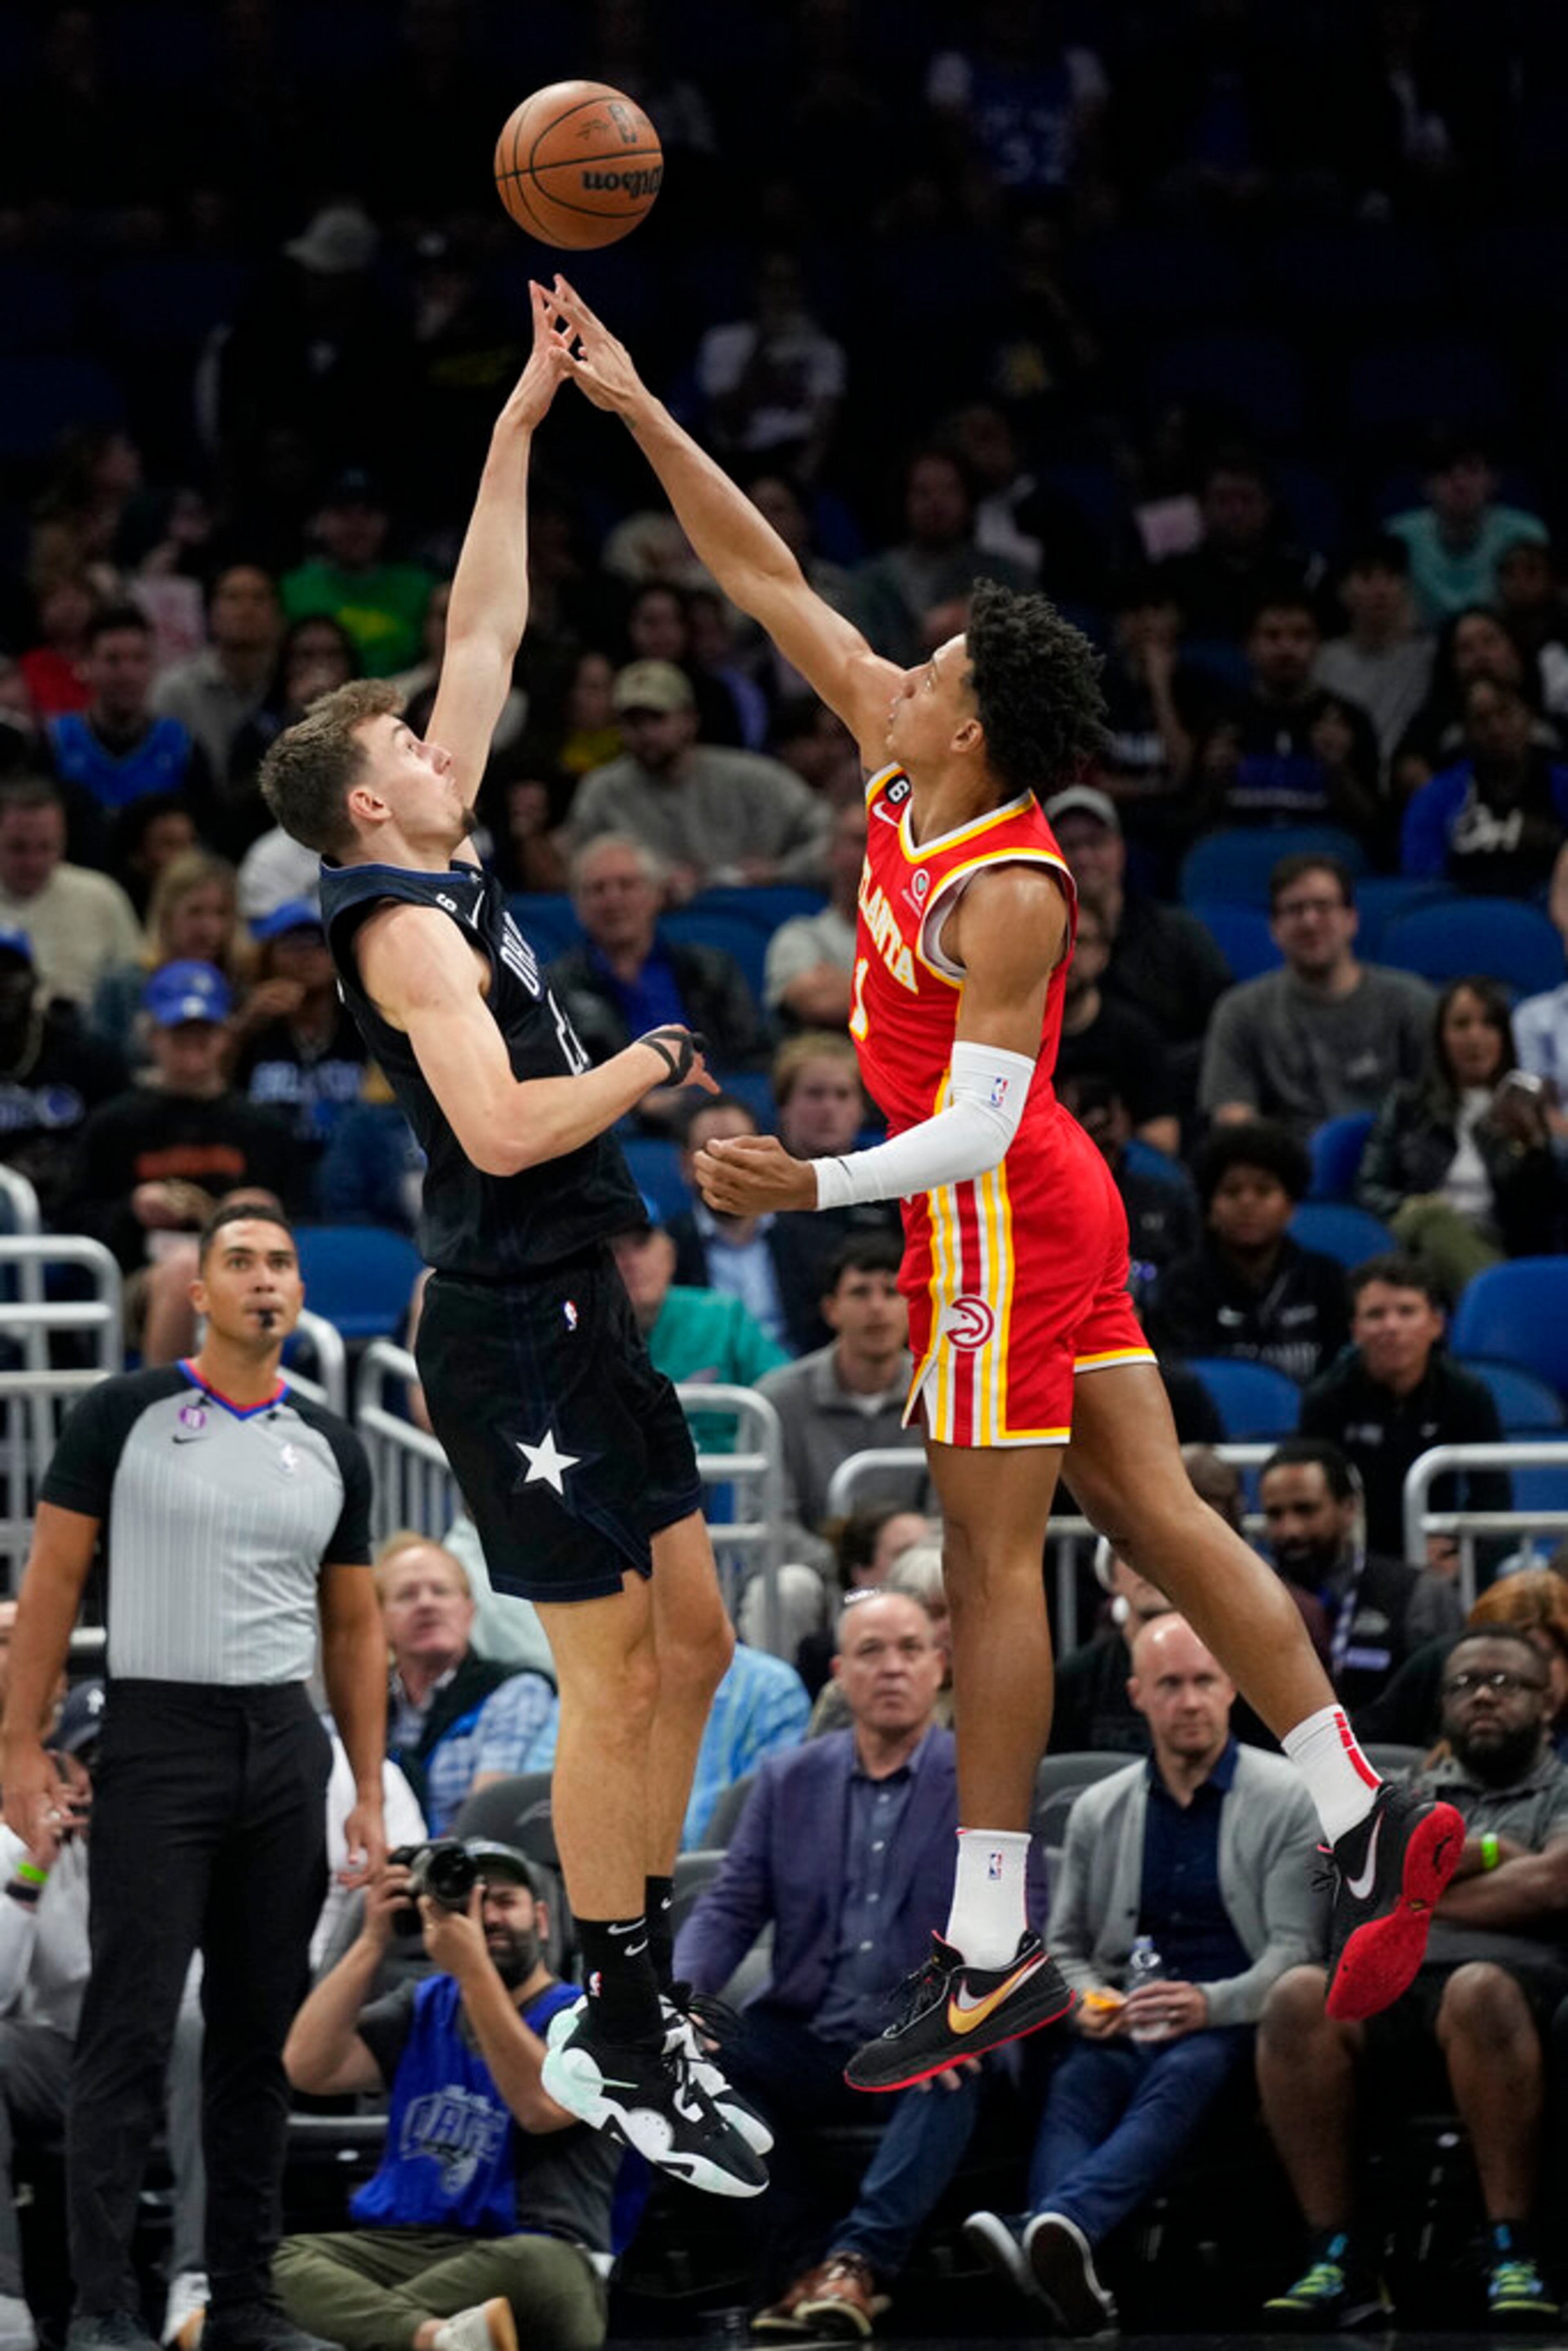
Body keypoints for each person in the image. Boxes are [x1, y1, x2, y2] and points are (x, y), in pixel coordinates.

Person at [551, 276, 1463, 2092]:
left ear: (971, 727)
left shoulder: (1014, 885)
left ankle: (989, 1947)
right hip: (1042, 1205)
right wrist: (643, 408)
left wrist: (809, 1174)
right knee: (1154, 1520)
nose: (907, 661)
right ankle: (1363, 1806)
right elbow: (762, 578)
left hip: (996, 1207)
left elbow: (969, 1126)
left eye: (943, 664)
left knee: (988, 1574)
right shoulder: (905, 747)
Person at [255, 294, 765, 2198]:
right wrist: (644, 1056)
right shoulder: (393, 923)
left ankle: (640, 1993)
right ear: (371, 798)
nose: (433, 714)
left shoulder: (433, 829)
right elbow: (493, 1124)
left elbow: (488, 621)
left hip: (578, 1298)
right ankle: (624, 2011)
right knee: (617, 1670)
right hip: (507, 1326)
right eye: (401, 731)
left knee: (702, 1639)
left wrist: (527, 416)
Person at [0, 1204, 388, 2351]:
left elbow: (356, 1625)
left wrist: (366, 1783)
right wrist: (19, 1746)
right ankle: (108, 2305)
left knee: (254, 2035)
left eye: (280, 1262)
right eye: (241, 1262)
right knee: (126, 2027)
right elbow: (54, 1583)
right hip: (156, 1731)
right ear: (200, 1293)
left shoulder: (332, 1440)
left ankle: (246, 2298)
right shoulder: (121, 1413)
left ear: (297, 1292)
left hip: (284, 1739)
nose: (264, 1280)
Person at [674, 1591, 1020, 2341]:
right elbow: (730, 1907)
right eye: (870, 1651)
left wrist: (959, 2012)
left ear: (939, 1666)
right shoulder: (787, 1780)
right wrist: (687, 2000)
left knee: (958, 2059)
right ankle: (807, 2265)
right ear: (841, 1673)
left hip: (930, 2031)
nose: (891, 1667)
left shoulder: (991, 1775)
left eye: (908, 1649)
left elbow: (1021, 1920)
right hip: (813, 2031)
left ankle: (860, 2262)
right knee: (691, 2064)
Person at [965, 1614, 1322, 2337]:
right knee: (1078, 2077)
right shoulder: (1101, 1808)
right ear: (1139, 1695)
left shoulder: (1287, 1797)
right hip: (1126, 2008)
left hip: (1234, 2019)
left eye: (1203, 1682)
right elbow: (1061, 1946)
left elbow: (1295, 1952)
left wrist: (1208, 2003)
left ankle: (1056, 2222)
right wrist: (1084, 2002)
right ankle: (1064, 2257)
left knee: (1184, 2071)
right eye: (1170, 1685)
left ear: (1231, 1688)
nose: (1189, 1700)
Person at [1259, 1628, 1568, 2328]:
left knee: (1478, 1988)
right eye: (1464, 1684)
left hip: (1521, 1988)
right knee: (1299, 1996)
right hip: (1395, 1980)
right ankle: (1335, 2254)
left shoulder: (1562, 1786)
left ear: (1546, 1703)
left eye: (1505, 1682)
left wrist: (1420, 1892)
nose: (1483, 1694)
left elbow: (1554, 1882)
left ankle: (1514, 2250)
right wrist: (1495, 1853)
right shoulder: (1405, 1791)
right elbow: (1351, 1887)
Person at [276, 1841, 617, 2351]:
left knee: (536, 2267)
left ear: (543, 1919)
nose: (487, 1917)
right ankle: (433, 2339)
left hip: (533, 2254)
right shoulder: (422, 2005)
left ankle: (360, 2332)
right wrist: (373, 1940)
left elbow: (539, 2108)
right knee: (267, 2265)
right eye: (468, 1904)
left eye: (503, 1900)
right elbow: (308, 2068)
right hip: (401, 2247)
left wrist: (473, 1970)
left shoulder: (593, 2020)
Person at [1356, 974, 1566, 1299]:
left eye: (1488, 1025)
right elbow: (1369, 1188)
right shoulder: (1409, 1104)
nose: (1475, 1038)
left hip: (1494, 1247)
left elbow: (1541, 1219)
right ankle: (1498, 1305)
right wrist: (1412, 1207)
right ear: (1441, 1037)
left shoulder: (1525, 1109)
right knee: (1433, 1217)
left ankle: (1491, 1300)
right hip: (1414, 1241)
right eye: (1461, 1025)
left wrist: (1536, 1146)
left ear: (1505, 1037)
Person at [0, 1682, 101, 2351]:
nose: (96, 1782)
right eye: (85, 1761)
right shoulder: (18, 1852)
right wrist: (37, 1868)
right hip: (65, 2060)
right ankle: (6, 2296)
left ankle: (197, 2280)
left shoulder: (176, 1845)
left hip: (164, 2057)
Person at [1199, 853, 1434, 1140]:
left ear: (1352, 920)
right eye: (1295, 909)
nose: (1310, 922)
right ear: (1274, 928)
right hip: (1287, 1172)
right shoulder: (1240, 1011)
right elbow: (1232, 1120)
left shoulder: (1411, 1001)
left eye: (1323, 907)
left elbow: (1440, 1109)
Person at [1298, 1255, 1512, 1566]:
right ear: (1356, 1330)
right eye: (1376, 1314)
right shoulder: (1326, 1399)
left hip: (1440, 1562)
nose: (1391, 1326)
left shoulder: (1468, 1394)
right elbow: (1315, 1499)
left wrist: (1462, 1557)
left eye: (1407, 1311)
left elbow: (1494, 1499)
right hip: (1352, 1562)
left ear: (1436, 1324)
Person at [567, 659, 830, 896]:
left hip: (752, 915)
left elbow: (834, 837)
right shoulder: (602, 791)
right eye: (632, 722)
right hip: (652, 928)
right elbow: (579, 871)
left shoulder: (754, 778)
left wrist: (781, 872)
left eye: (656, 718)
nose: (645, 733)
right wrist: (645, 883)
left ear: (690, 720)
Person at [1258, 1440, 1464, 1717]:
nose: (1291, 1529)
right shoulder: (1252, 1599)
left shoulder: (1420, 1594)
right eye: (1276, 1515)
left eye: (1306, 1510)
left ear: (1350, 1508)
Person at [374, 1535, 557, 1836]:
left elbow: (488, 1823)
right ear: (377, 1621)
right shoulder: (359, 1712)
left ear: (469, 1610)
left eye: (442, 1591)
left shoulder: (514, 1692)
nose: (426, 1603)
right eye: (407, 1594)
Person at [546, 833, 767, 1082]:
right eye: (598, 890)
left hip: (712, 1101)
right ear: (579, 907)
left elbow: (753, 1057)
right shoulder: (556, 988)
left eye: (627, 885)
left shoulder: (710, 970)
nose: (613, 900)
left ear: (656, 895)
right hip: (617, 1112)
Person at [1145, 1120, 1349, 1386]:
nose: (1247, 1203)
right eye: (1232, 1192)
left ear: (1290, 1206)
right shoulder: (1182, 1286)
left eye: (1264, 1192)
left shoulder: (1326, 1280)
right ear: (1210, 1210)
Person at [753, 1233, 925, 1534]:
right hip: (813, 1570)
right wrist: (845, 1569)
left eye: (891, 1292)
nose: (877, 1307)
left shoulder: (943, 1395)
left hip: (913, 1568)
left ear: (914, 1305)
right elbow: (766, 1521)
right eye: (860, 1293)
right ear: (831, 1309)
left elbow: (952, 1520)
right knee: (791, 1582)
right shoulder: (777, 1399)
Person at [1401, 673, 1568, 898]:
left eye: (1505, 713)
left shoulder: (1562, 786)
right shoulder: (1435, 798)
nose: (1497, 729)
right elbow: (1425, 883)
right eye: (1482, 720)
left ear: (1529, 717)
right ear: (1466, 732)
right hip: (1466, 918)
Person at [0, 925, 125, 1225]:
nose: (1, 985)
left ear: (35, 981)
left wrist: (70, 1161)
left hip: (69, 1211)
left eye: (10, 973)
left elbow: (120, 1136)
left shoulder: (86, 1053)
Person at [42, 604, 212, 820]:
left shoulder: (184, 748)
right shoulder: (55, 744)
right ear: (88, 665)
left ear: (153, 666)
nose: (127, 674)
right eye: (113, 660)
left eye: (139, 659)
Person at [0, 776, 143, 1016]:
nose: (33, 862)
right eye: (18, 848)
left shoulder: (102, 896)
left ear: (64, 839)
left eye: (46, 847)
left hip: (85, 1040)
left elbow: (135, 985)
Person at [1387, 434, 1549, 628]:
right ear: (1426, 486)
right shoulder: (1399, 537)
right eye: (1446, 473)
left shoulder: (1527, 534)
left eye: (1472, 471)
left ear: (1493, 480)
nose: (1460, 484)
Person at [1312, 536, 1435, 783]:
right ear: (1343, 591)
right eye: (1367, 578)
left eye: (1390, 577)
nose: (1380, 591)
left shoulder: (1431, 656)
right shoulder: (1321, 660)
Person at [762, 796, 864, 1036]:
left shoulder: (922, 935)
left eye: (887, 840)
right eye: (861, 841)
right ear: (832, 853)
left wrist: (846, 986)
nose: (875, 850)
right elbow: (820, 1002)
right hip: (835, 1055)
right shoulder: (801, 936)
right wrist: (912, 999)